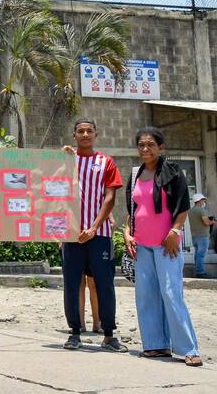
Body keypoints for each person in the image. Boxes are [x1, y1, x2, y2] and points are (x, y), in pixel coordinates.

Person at [123, 126, 201, 367]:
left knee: (171, 294)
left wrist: (174, 231)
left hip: (167, 245)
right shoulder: (136, 174)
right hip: (142, 246)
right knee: (146, 296)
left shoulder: (173, 172)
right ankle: (156, 345)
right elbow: (133, 210)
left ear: (160, 147)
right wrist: (127, 234)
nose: (145, 149)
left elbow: (183, 205)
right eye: (141, 145)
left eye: (150, 145)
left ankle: (188, 348)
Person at [60, 119, 127, 352]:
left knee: (104, 284)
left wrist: (95, 227)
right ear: (74, 134)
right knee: (71, 284)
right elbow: (49, 186)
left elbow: (110, 198)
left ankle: (109, 335)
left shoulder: (105, 162)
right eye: (80, 131)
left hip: (99, 234)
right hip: (72, 235)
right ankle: (74, 333)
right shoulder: (67, 160)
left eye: (89, 131)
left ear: (96, 134)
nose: (85, 134)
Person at [188, 193, 212, 278]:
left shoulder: (190, 211)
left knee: (197, 254)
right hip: (202, 236)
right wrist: (212, 222)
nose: (204, 201)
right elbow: (206, 223)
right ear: (199, 200)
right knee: (201, 254)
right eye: (203, 199)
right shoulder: (201, 210)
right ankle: (200, 272)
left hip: (194, 236)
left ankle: (198, 271)